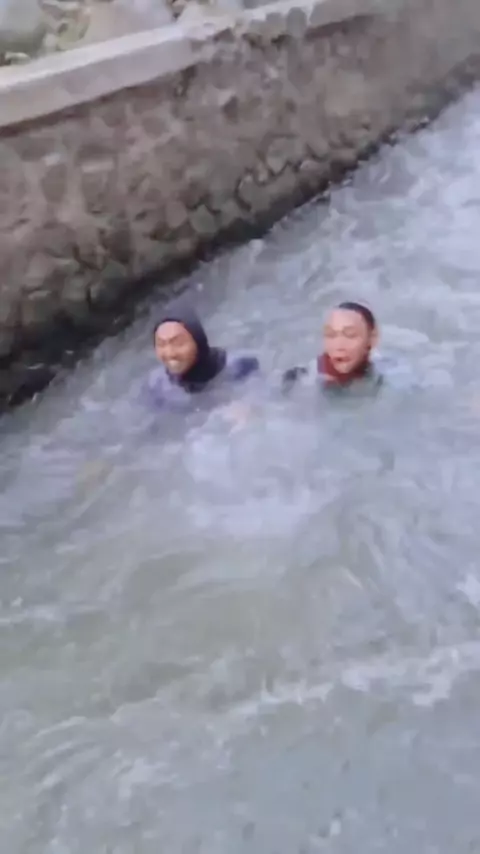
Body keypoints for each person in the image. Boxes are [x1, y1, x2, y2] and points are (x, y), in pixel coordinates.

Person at [146, 297, 259, 409]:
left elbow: (258, 397)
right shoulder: (157, 385)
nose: (170, 353)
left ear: (198, 341)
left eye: (178, 343)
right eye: (161, 344)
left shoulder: (240, 365)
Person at [282, 301, 380, 393]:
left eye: (350, 335)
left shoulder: (383, 373)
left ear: (372, 339)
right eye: (331, 335)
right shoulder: (298, 382)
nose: (339, 346)